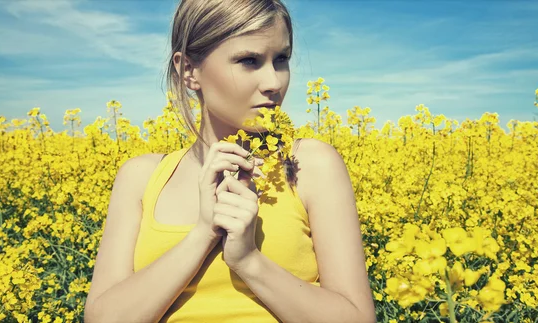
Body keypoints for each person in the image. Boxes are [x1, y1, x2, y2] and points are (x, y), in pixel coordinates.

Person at [83, 0, 376, 322]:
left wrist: (249, 261)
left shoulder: (310, 165)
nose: (274, 83)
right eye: (249, 61)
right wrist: (203, 235)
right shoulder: (140, 177)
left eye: (281, 60)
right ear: (189, 71)